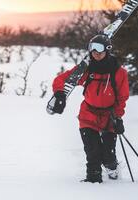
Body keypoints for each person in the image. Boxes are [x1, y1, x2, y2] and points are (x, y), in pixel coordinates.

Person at [51, 34, 130, 183]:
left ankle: (112, 167)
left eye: (99, 49)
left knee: (107, 154)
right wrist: (60, 93)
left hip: (109, 116)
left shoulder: (119, 73)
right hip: (88, 115)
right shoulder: (86, 70)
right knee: (92, 151)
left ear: (108, 50)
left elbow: (122, 97)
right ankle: (93, 181)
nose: (95, 52)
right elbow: (61, 79)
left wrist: (118, 118)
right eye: (92, 49)